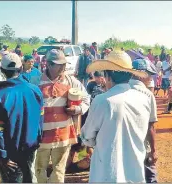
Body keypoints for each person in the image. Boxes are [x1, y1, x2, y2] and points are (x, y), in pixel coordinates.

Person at [81, 50, 151, 182]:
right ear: (130, 75)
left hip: (107, 173)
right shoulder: (144, 98)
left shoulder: (102, 101)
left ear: (108, 76)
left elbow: (87, 137)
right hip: (135, 172)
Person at [35, 49, 90, 183]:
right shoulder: (35, 82)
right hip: (40, 137)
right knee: (38, 169)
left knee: (59, 170)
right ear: (48, 64)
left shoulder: (71, 81)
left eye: (64, 64)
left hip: (63, 135)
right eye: (59, 64)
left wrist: (77, 109)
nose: (63, 67)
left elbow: (86, 99)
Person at [0, 53, 44, 183]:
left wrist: (2, 155)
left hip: (9, 154)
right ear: (20, 69)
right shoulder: (35, 91)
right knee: (30, 178)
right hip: (31, 148)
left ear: (2, 70)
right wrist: (37, 141)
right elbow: (40, 122)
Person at [129, 58, 158, 183]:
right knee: (150, 174)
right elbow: (150, 126)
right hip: (142, 144)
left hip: (124, 144)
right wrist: (154, 150)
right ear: (141, 75)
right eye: (149, 75)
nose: (151, 78)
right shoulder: (147, 94)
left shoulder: (118, 89)